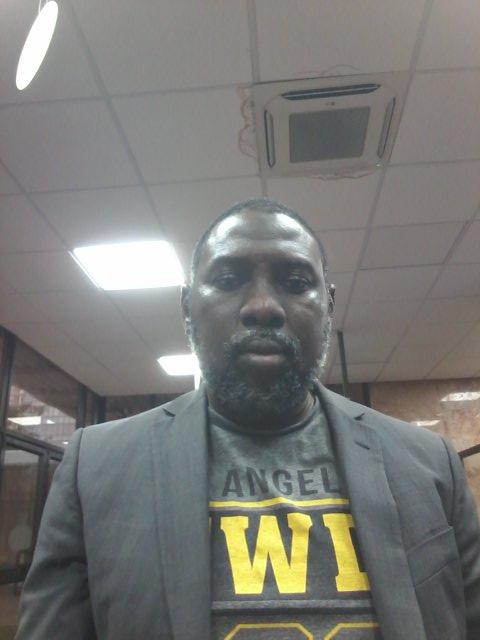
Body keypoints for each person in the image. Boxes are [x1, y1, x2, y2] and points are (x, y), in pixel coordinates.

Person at [15, 198, 480, 640]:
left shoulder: (427, 464)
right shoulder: (97, 467)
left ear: (329, 305)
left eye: (295, 282)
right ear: (187, 308)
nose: (263, 306)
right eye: (228, 279)